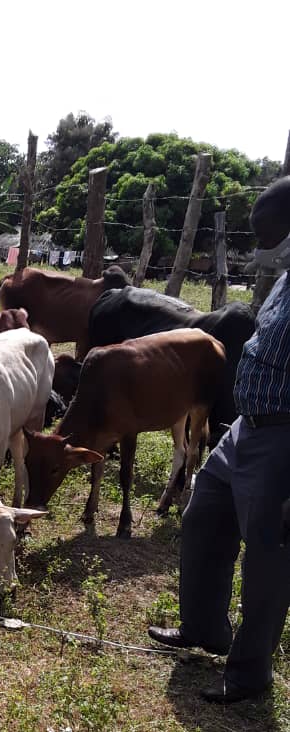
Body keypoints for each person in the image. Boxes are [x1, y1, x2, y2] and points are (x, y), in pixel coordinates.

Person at [148, 175, 290, 704]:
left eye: (270, 234)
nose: (262, 247)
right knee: (204, 514)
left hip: (283, 440)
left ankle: (251, 674)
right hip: (246, 429)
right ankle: (205, 627)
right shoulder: (287, 279)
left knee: (268, 557)